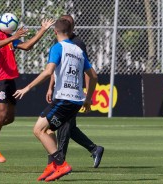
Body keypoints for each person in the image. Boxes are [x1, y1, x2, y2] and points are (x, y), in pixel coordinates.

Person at [0, 3, 55, 163]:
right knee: (1, 114)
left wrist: (43, 29)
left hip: (9, 78)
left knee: (9, 118)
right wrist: (13, 37)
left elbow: (27, 46)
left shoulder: (4, 34)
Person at [13, 18, 98, 182]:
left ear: (55, 31)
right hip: (76, 101)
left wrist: (27, 88)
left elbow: (48, 72)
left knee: (38, 130)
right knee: (48, 130)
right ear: (70, 31)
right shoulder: (78, 50)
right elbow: (93, 76)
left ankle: (61, 164)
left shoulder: (58, 47)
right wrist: (88, 99)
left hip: (63, 99)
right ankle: (52, 165)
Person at [38, 15, 104, 180]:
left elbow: (88, 72)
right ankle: (92, 150)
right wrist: (50, 87)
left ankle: (60, 163)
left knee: (62, 127)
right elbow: (57, 67)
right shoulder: (61, 44)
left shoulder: (77, 44)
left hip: (70, 94)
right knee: (61, 127)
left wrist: (88, 95)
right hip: (65, 94)